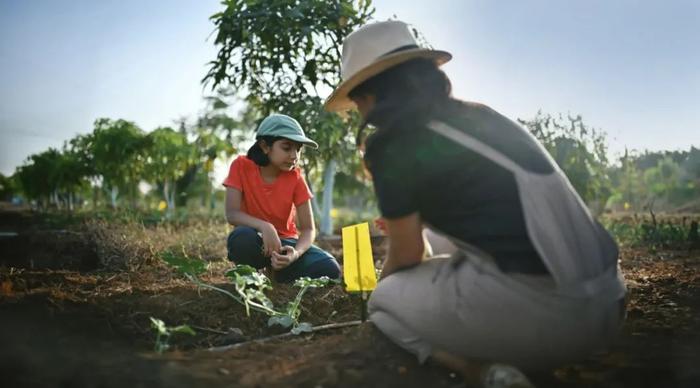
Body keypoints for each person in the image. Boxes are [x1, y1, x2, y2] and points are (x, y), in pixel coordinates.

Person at [324, 21, 626, 388]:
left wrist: (383, 290)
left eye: (356, 98)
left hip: (555, 319)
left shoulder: (393, 145)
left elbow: (406, 255)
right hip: (609, 302)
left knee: (384, 301)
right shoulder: (482, 117)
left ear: (369, 95)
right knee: (442, 254)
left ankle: (476, 371)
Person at [223, 114, 341, 283]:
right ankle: (252, 276)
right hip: (256, 240)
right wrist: (265, 227)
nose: (294, 156)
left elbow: (308, 229)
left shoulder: (296, 178)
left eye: (298, 149)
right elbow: (232, 214)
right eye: (287, 148)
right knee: (241, 238)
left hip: (286, 244)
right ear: (265, 146)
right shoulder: (241, 166)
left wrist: (295, 254)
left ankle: (279, 270)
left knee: (329, 267)